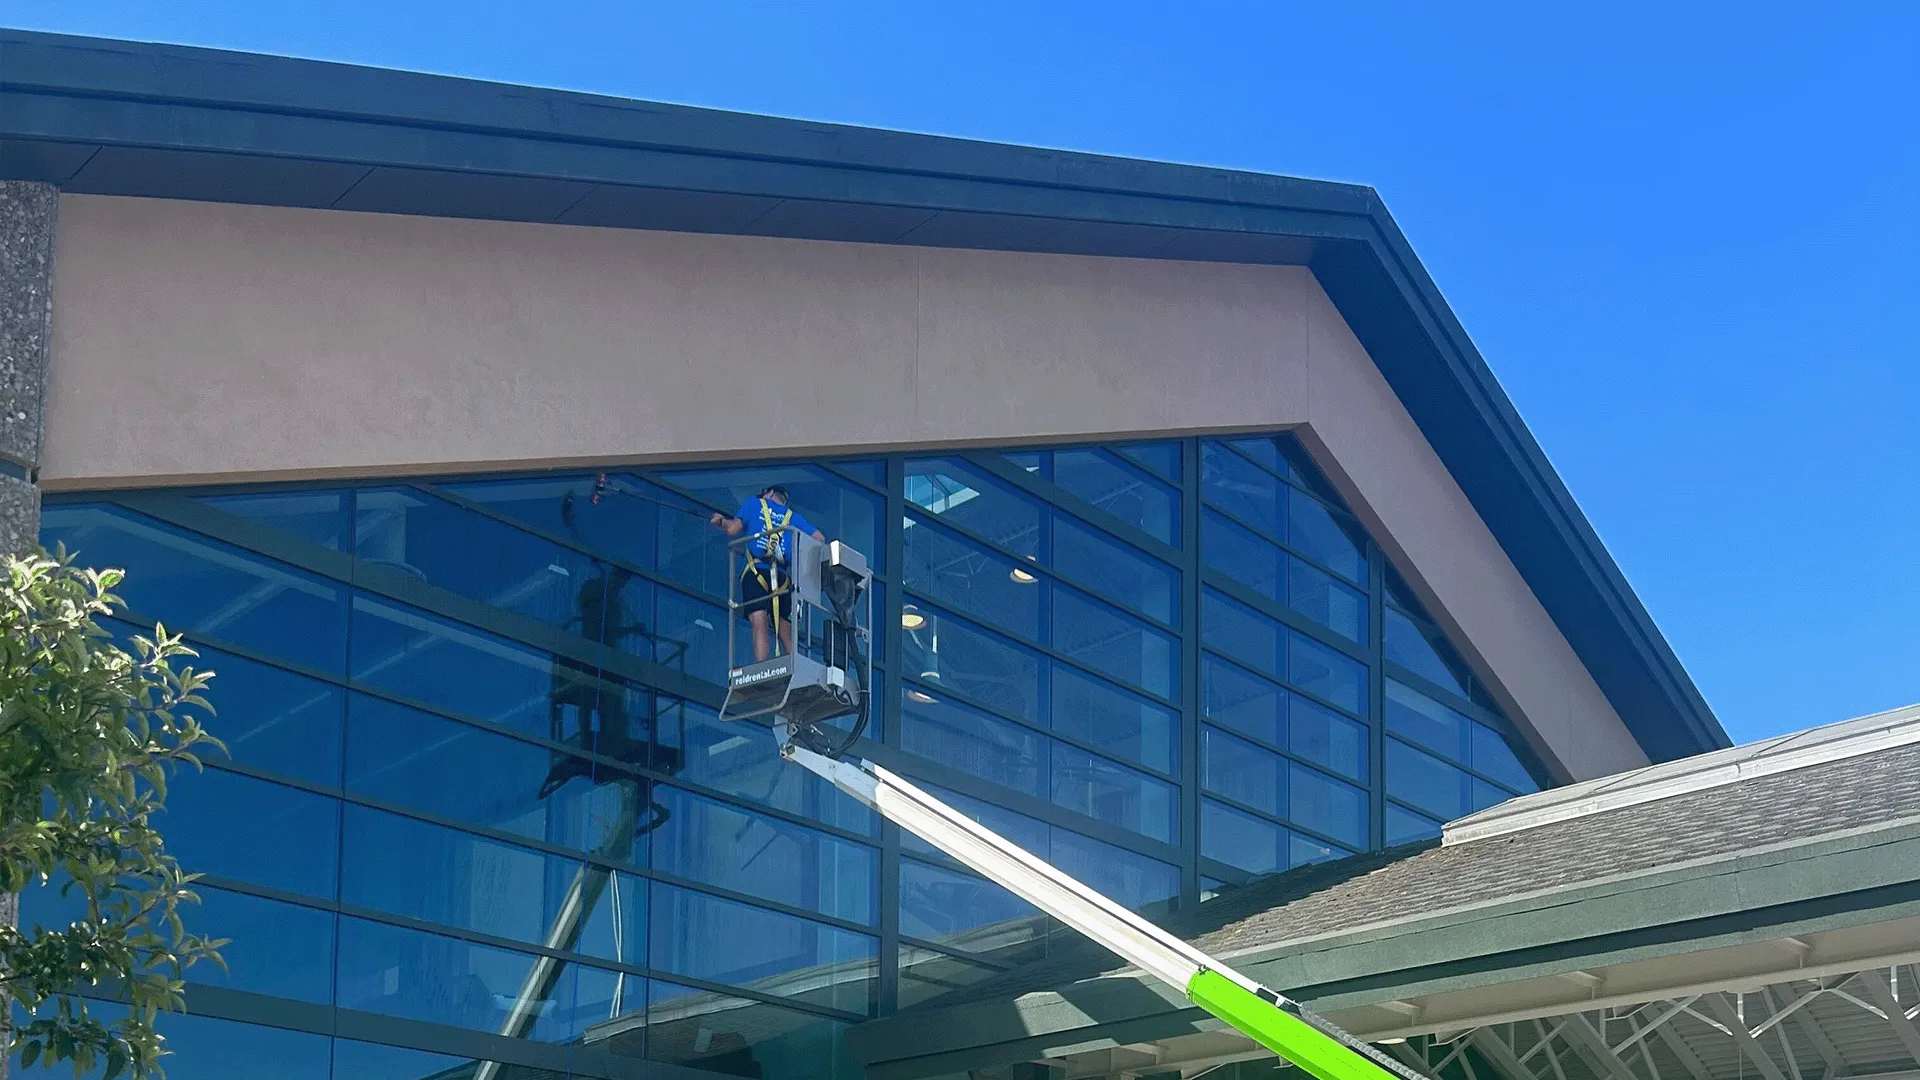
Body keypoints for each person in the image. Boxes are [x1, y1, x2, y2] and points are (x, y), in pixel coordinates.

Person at [710, 484, 826, 662]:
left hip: (756, 572)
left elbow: (733, 529)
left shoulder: (753, 504)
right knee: (785, 630)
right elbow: (819, 538)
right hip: (782, 578)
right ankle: (794, 664)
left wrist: (721, 521)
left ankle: (761, 667)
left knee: (759, 623)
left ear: (769, 493)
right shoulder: (793, 517)